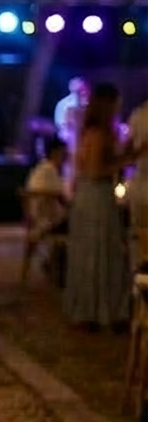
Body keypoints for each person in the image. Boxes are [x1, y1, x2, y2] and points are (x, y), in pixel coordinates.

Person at [63, 83, 129, 328]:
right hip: (96, 196)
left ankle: (90, 307)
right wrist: (128, 159)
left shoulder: (89, 132)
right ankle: (96, 309)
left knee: (93, 252)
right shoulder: (98, 134)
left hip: (90, 196)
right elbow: (95, 171)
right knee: (99, 251)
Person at [24, 136, 70, 239]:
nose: (67, 157)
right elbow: (60, 197)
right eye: (64, 153)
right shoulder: (49, 170)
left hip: (37, 216)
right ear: (56, 153)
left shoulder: (42, 168)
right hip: (46, 218)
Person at [125, 96, 148, 267]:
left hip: (140, 180)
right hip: (142, 179)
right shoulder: (139, 115)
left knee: (140, 229)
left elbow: (128, 150)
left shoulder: (138, 115)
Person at [54, 77, 89, 183]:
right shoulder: (64, 105)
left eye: (83, 89)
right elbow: (61, 126)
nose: (82, 92)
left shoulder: (88, 105)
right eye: (79, 90)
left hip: (84, 146)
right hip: (70, 144)